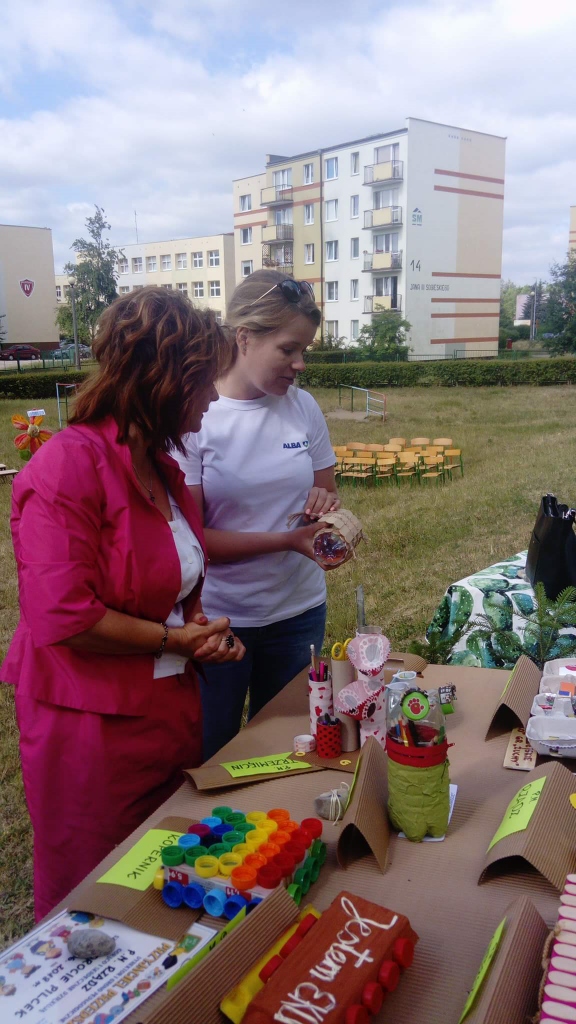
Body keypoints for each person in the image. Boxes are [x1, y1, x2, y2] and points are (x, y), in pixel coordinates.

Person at [0, 287, 245, 920]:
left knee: (167, 873)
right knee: (98, 890)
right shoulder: (66, 468)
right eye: (206, 382)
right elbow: (64, 615)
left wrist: (195, 629)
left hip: (167, 711)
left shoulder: (163, 469)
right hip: (90, 729)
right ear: (167, 379)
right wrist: (174, 640)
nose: (214, 397)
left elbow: (167, 580)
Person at [174, 269, 339, 759]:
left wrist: (326, 517)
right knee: (214, 754)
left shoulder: (303, 408)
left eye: (304, 350)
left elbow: (327, 497)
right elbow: (194, 542)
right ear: (244, 337)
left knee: (288, 750)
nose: (300, 364)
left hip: (299, 613)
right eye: (288, 350)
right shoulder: (198, 415)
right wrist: (287, 541)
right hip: (219, 620)